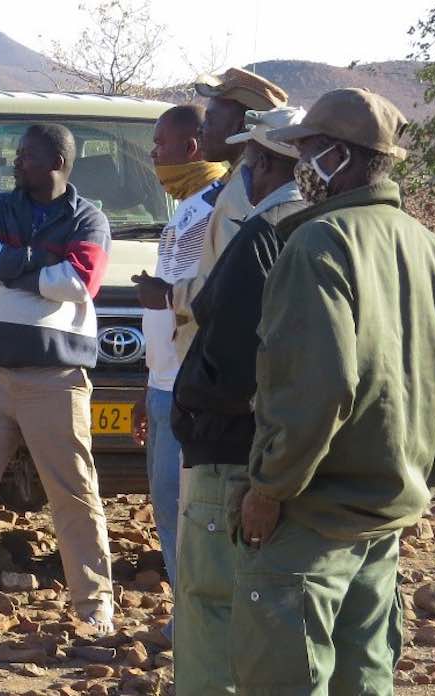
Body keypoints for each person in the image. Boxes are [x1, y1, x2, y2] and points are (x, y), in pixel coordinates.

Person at [233, 88, 435, 695]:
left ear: (337, 157)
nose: (298, 165)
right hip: (384, 515)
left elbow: (318, 388)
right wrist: (420, 483)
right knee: (365, 680)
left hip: (311, 515)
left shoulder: (318, 243)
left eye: (307, 150)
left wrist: (269, 488)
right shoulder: (429, 248)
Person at [0, 124, 115, 630]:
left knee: (74, 491)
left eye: (26, 156)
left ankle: (94, 606)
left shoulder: (88, 218)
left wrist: (8, 265)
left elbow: (79, 281)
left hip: (55, 377)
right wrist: (39, 263)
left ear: (57, 161)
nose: (15, 162)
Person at [168, 105, 309, 694]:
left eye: (252, 158)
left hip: (237, 447)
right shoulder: (352, 232)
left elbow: (226, 349)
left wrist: (191, 414)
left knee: (211, 605)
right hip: (300, 452)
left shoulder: (272, 232)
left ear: (265, 163)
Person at [127, 103, 226, 600]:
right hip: (165, 384)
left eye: (161, 144)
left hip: (190, 386)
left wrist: (163, 295)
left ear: (191, 147)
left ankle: (197, 616)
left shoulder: (213, 209)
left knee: (185, 506)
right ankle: (189, 611)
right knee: (167, 503)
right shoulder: (190, 205)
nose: (154, 154)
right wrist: (149, 387)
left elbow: (202, 295)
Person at [136, 68, 287, 367]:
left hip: (214, 369)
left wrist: (169, 296)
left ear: (242, 125)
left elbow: (234, 285)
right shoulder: (231, 186)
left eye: (212, 120)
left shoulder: (244, 193)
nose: (202, 130)